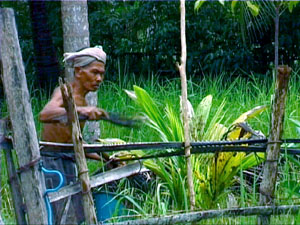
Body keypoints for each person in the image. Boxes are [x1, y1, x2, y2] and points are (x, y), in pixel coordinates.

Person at [39, 46, 108, 224]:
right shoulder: (65, 92)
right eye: (94, 72)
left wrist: (104, 157)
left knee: (76, 216)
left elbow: (72, 142)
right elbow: (45, 114)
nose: (99, 78)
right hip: (52, 164)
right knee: (61, 216)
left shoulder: (81, 100)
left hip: (67, 162)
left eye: (101, 73)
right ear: (79, 71)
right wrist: (82, 111)